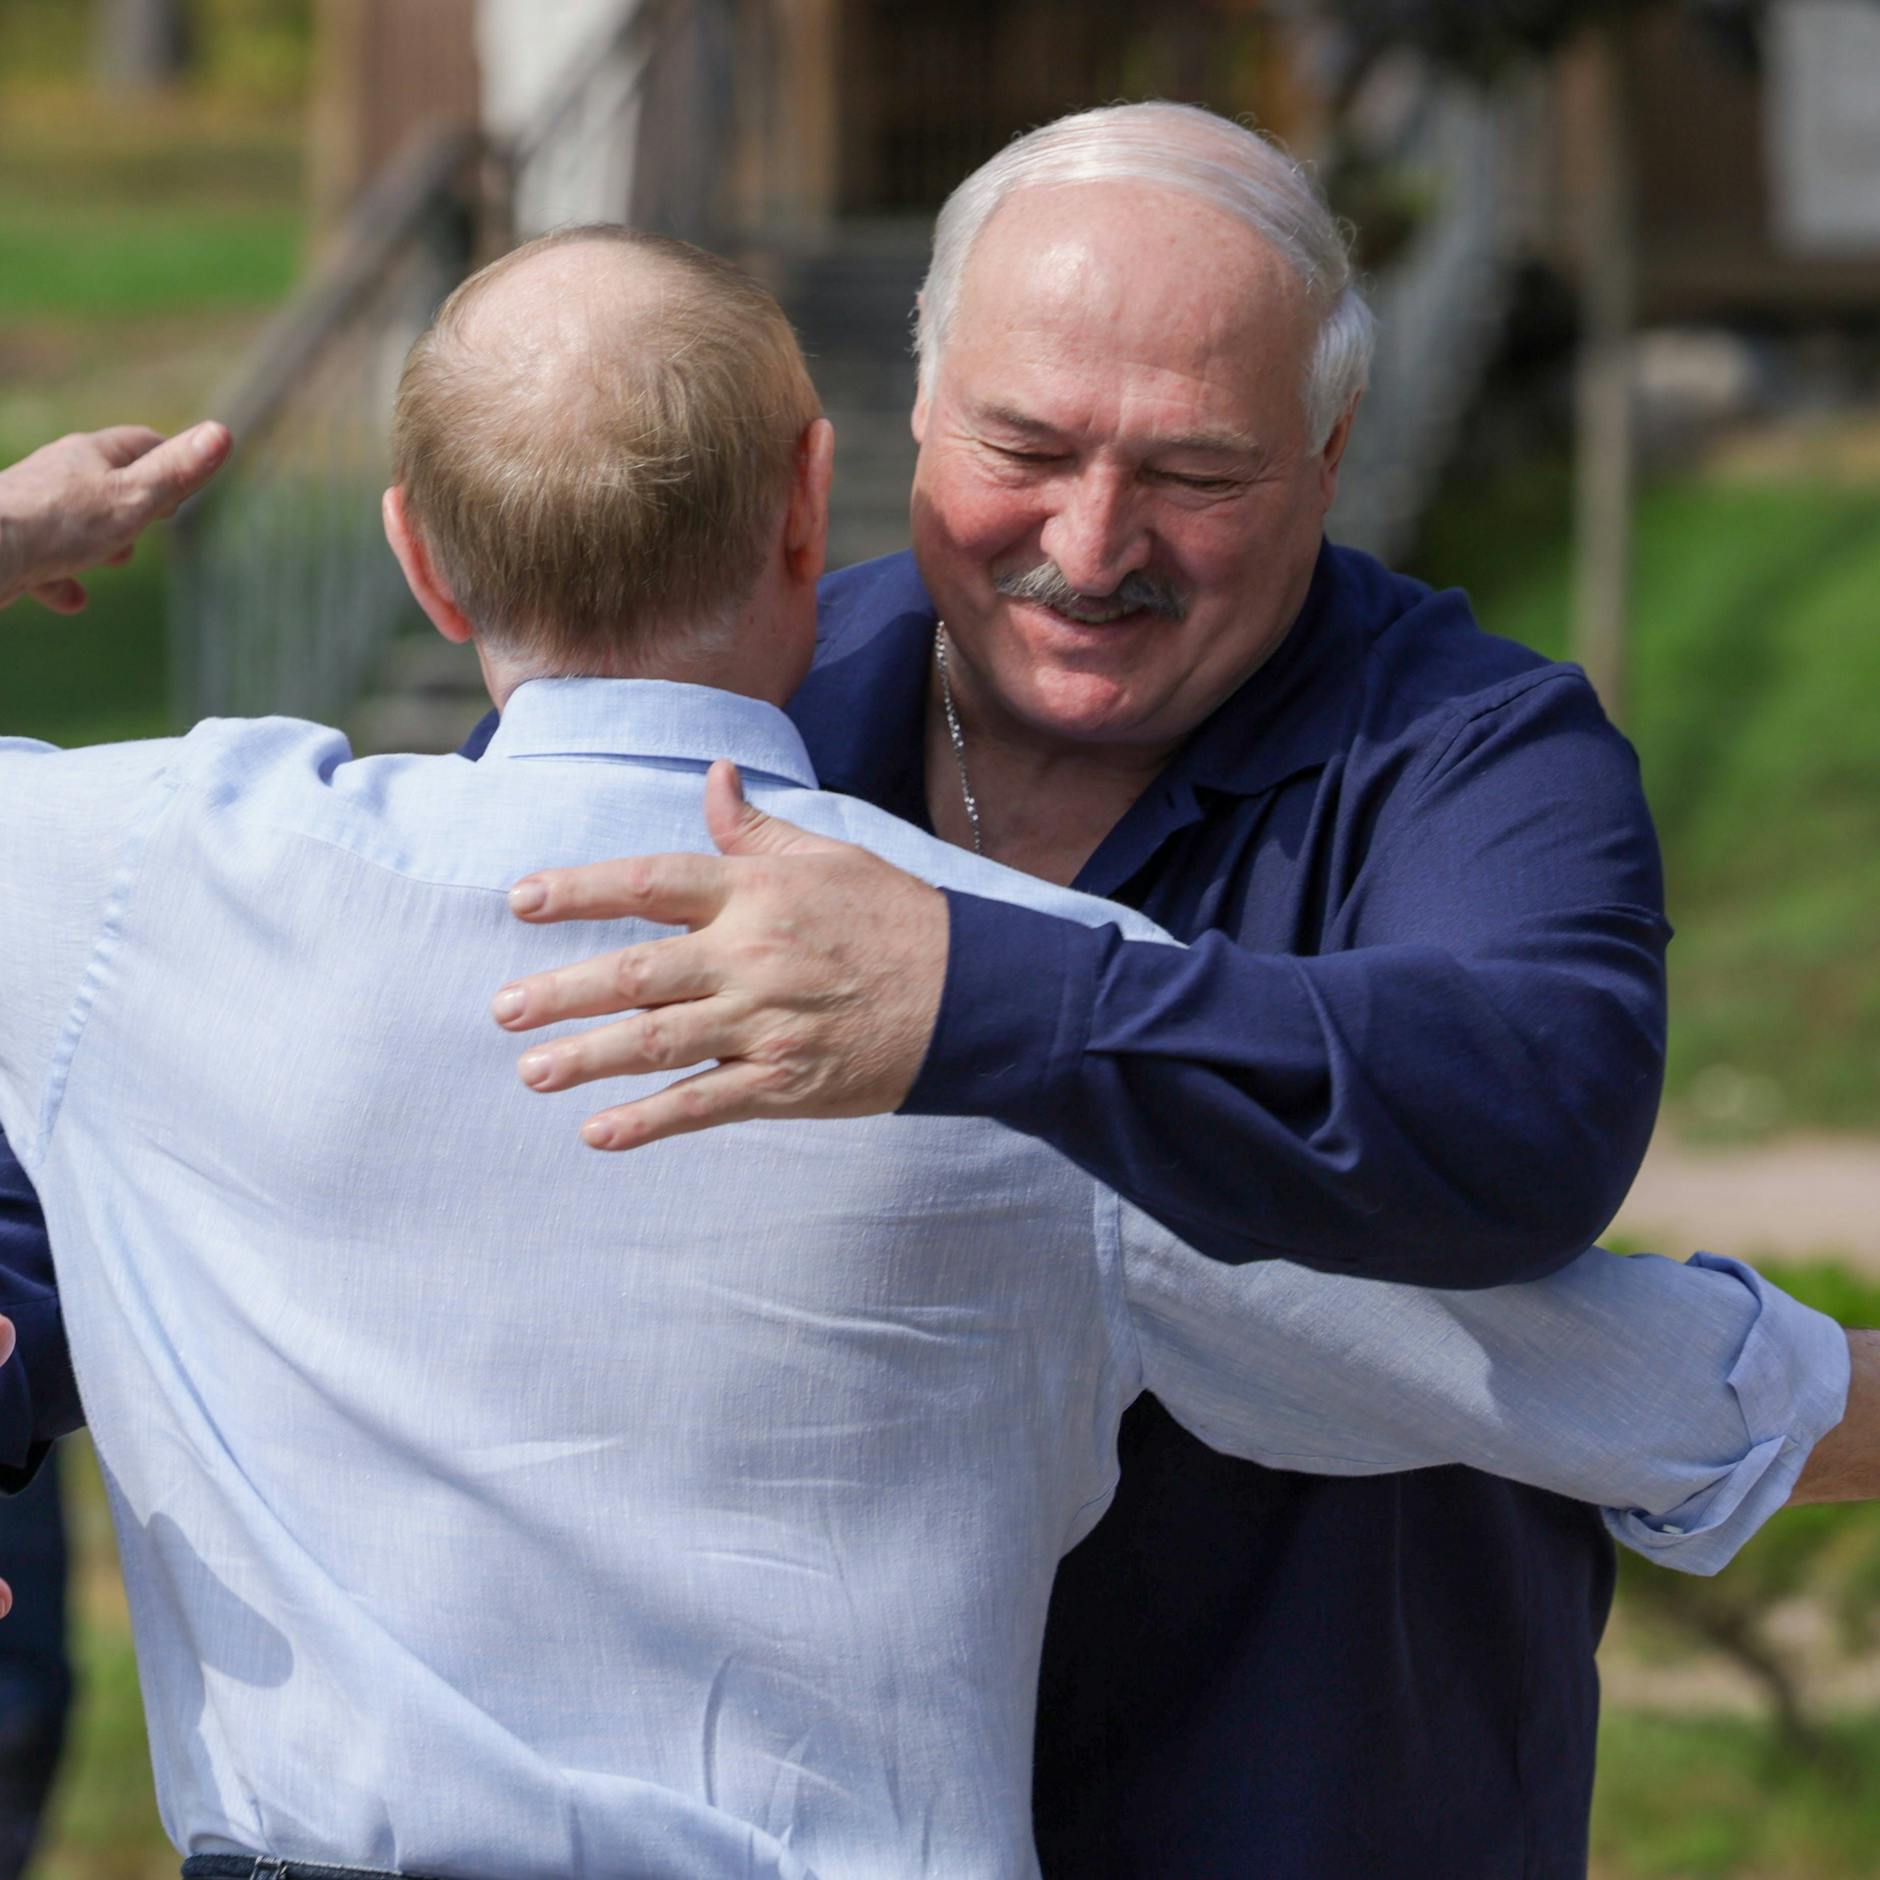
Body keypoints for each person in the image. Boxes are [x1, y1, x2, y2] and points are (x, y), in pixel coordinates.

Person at [0, 228, 1865, 1879]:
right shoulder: (1043, 1010)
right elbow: (1572, 1376)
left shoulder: (134, 885)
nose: (1091, 531)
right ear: (822, 498)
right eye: (1033, 450)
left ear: (416, 555)